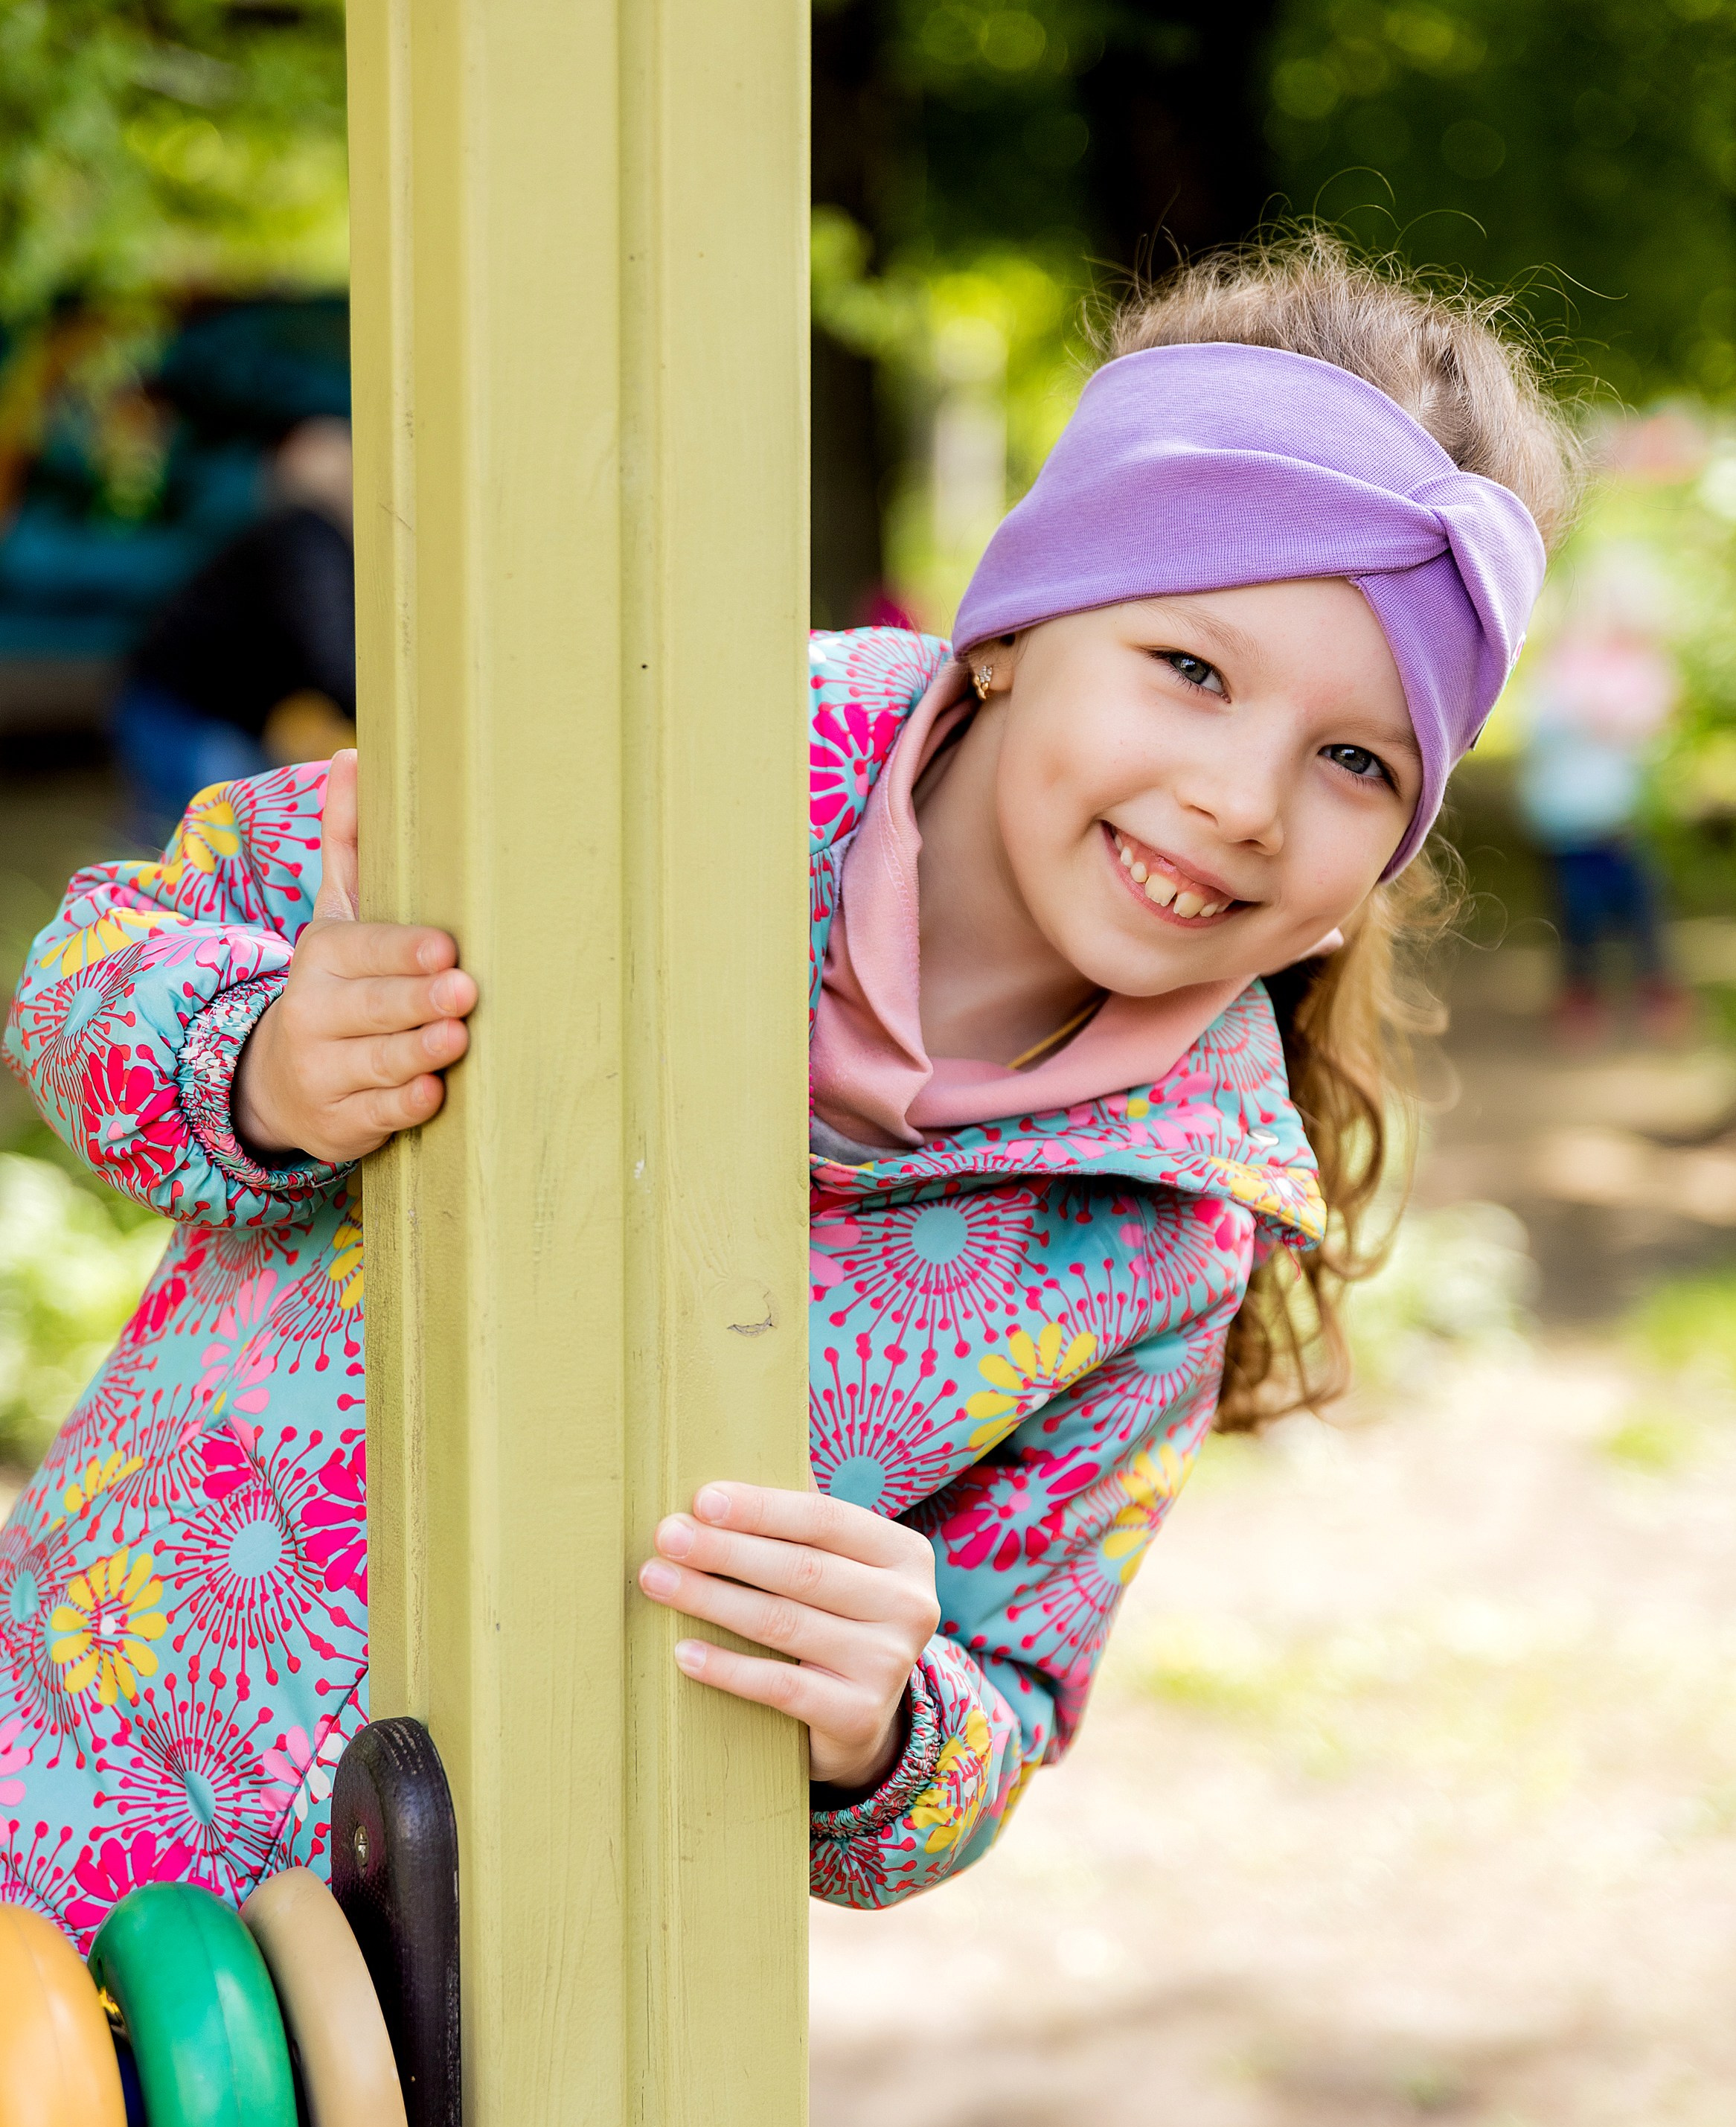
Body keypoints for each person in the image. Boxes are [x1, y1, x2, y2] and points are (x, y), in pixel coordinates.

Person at [1, 235, 1577, 1942]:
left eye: (1357, 761)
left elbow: (1009, 1698)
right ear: (1010, 632)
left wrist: (888, 1725)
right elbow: (94, 973)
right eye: (1190, 671)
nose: (1244, 797)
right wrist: (260, 1063)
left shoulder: (1170, 1223)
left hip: (476, 2012)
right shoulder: (633, 755)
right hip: (63, 1758)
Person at [111, 416, 356, 846]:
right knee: (228, 838)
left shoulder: (280, 536)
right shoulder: (309, 542)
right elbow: (331, 655)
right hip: (187, 714)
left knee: (179, 839)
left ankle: (125, 902)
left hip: (165, 701)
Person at [1514, 621, 1686, 1043]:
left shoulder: (1632, 676)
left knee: (1643, 909)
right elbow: (1540, 731)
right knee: (1577, 916)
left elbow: (1654, 722)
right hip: (1566, 824)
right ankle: (1581, 999)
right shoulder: (1554, 684)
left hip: (1618, 820)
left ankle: (1656, 993)